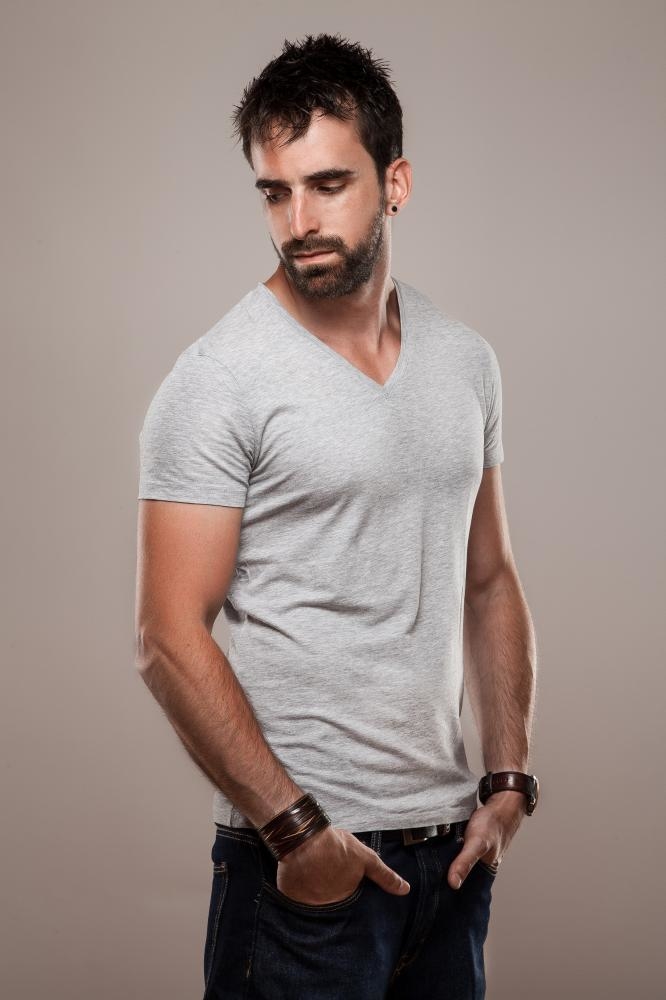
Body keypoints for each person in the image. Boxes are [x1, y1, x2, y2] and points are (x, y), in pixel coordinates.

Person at [135, 31, 538, 1000]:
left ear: (395, 183)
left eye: (327, 184)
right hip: (305, 868)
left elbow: (488, 578)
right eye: (275, 193)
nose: (300, 220)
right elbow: (165, 637)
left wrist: (508, 781)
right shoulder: (219, 380)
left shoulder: (465, 361)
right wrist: (296, 831)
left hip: (449, 857)